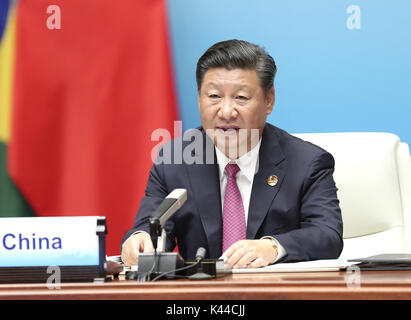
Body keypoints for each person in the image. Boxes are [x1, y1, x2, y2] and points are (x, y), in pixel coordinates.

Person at [121, 39, 343, 269]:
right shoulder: (174, 160)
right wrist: (139, 240)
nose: (226, 112)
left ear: (269, 100)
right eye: (214, 96)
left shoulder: (306, 163)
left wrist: (273, 247)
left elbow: (327, 235)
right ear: (199, 99)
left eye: (241, 98)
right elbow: (150, 228)